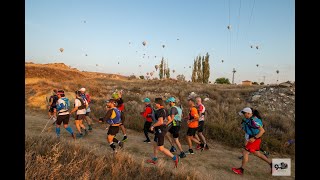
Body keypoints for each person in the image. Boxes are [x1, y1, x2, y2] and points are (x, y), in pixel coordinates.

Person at [232, 107, 272, 175]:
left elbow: (262, 131)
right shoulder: (248, 119)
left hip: (255, 139)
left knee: (245, 152)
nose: (243, 115)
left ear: (249, 113)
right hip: (253, 139)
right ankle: (272, 164)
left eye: (244, 113)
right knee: (257, 154)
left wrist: (254, 138)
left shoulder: (254, 121)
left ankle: (241, 170)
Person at [146, 98, 179, 168]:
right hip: (161, 129)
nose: (155, 104)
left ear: (158, 104)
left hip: (160, 131)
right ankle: (154, 159)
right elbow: (170, 120)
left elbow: (160, 121)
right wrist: (165, 125)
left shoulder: (160, 111)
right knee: (155, 143)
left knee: (161, 148)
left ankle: (175, 158)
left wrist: (153, 126)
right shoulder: (165, 109)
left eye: (155, 103)